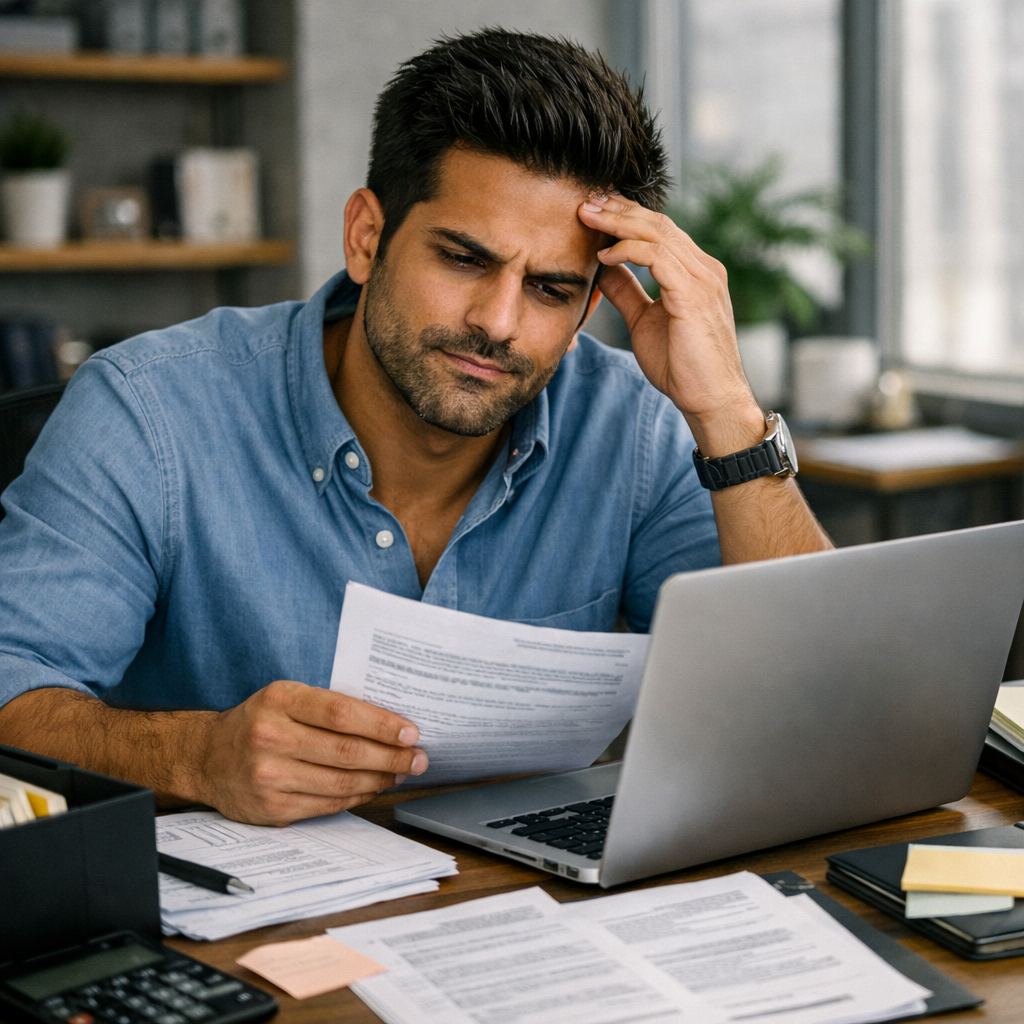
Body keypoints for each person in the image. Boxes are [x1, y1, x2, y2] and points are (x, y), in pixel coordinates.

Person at [0, 29, 831, 825]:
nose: (498, 323)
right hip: (240, 938)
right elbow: (10, 691)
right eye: (464, 258)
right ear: (368, 238)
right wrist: (195, 757)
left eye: (549, 289)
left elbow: (812, 706)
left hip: (533, 919)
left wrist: (726, 411)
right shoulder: (148, 412)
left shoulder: (633, 431)